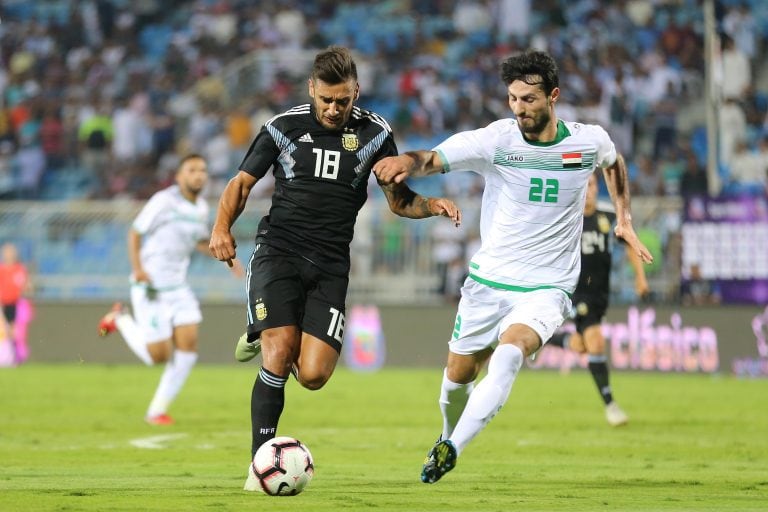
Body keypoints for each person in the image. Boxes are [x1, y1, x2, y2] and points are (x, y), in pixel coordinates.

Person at [373, 50, 653, 484]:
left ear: (553, 96)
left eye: (529, 99)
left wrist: (624, 219)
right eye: (513, 99)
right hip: (489, 281)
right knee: (456, 380)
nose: (519, 109)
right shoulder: (498, 141)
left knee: (509, 354)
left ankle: (453, 448)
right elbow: (431, 158)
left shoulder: (587, 141)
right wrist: (405, 163)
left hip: (548, 287)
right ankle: (446, 435)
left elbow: (614, 163)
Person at [207, 46, 461, 491]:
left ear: (356, 92)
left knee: (313, 375)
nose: (333, 108)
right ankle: (258, 465)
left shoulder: (376, 135)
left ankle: (263, 329)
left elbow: (399, 201)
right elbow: (241, 183)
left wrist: (432, 206)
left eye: (342, 100)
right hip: (278, 253)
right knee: (278, 350)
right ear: (312, 89)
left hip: (330, 266)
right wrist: (221, 227)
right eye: (325, 99)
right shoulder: (282, 128)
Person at [98, 154, 242, 425]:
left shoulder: (200, 207)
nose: (199, 174)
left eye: (202, 170)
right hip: (150, 286)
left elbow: (200, 241)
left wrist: (228, 259)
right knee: (158, 356)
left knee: (188, 346)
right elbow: (135, 232)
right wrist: (138, 269)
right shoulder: (163, 201)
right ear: (179, 176)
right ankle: (120, 318)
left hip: (178, 287)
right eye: (192, 170)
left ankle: (156, 411)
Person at [546, 171, 650, 427]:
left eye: (592, 184)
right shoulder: (566, 221)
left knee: (581, 345)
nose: (588, 190)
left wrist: (640, 278)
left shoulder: (607, 217)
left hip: (599, 295)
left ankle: (545, 339)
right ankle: (611, 406)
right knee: (596, 341)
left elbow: (628, 241)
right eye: (584, 185)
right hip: (574, 293)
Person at [0, 242, 31, 363]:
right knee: (4, 330)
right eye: (7, 252)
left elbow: (26, 286)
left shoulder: (19, 269)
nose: (9, 254)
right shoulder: (2, 270)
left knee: (14, 332)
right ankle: (6, 357)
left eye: (11, 252)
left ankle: (14, 357)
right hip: (2, 304)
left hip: (15, 304)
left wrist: (27, 288)